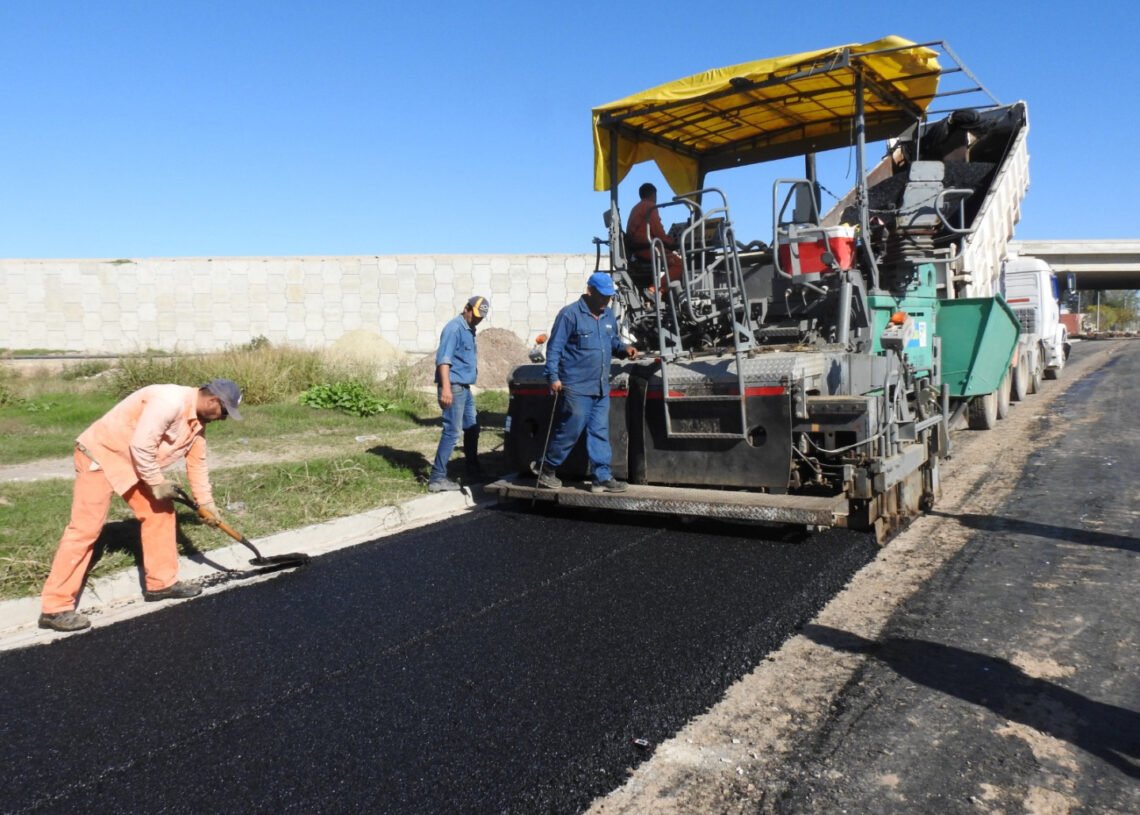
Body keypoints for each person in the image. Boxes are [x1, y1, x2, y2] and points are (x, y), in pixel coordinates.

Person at [38, 378, 243, 632]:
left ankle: (161, 584)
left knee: (161, 513)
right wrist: (157, 482)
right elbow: (141, 445)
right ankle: (54, 608)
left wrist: (207, 503)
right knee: (85, 529)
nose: (223, 418)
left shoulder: (197, 422)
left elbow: (197, 463)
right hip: (100, 456)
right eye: (224, 412)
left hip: (134, 464)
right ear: (214, 400)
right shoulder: (169, 402)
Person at [536, 272, 638, 493]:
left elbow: (612, 341)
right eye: (602, 296)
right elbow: (554, 348)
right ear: (590, 291)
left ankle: (602, 476)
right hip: (576, 385)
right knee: (570, 429)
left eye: (609, 297)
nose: (606, 301)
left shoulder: (608, 315)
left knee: (599, 431)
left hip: (600, 385)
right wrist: (552, 377)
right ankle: (547, 468)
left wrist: (624, 349)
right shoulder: (570, 315)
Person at [428, 295, 489, 492]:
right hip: (453, 386)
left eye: (481, 317)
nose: (478, 319)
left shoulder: (469, 329)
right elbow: (443, 361)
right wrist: (446, 388)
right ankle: (437, 478)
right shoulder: (454, 328)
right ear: (466, 308)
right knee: (452, 431)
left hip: (464, 387)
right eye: (476, 315)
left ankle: (472, 471)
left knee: (472, 427)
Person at [626, 182, 683, 288]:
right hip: (647, 249)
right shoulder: (650, 206)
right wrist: (672, 244)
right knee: (679, 264)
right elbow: (658, 232)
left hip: (638, 249)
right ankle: (654, 290)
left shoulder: (636, 208)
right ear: (653, 194)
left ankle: (663, 293)